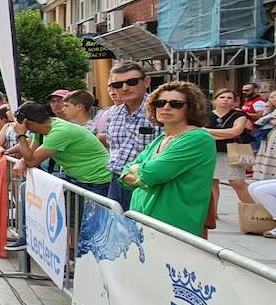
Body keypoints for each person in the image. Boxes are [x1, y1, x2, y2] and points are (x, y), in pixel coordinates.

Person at [121, 82, 215, 237]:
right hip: (143, 221)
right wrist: (141, 173)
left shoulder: (198, 138)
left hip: (173, 225)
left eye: (176, 104)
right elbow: (124, 175)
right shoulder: (159, 140)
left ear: (190, 108)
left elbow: (151, 174)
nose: (166, 107)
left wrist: (139, 170)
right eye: (160, 103)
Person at [11, 102, 112, 195]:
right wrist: (22, 161)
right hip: (77, 178)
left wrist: (20, 135)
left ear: (28, 123)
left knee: (82, 214)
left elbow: (32, 161)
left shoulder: (59, 132)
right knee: (26, 188)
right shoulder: (45, 128)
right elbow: (31, 155)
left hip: (96, 181)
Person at [97, 61, 159, 211]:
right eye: (118, 85)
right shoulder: (114, 113)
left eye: (132, 82)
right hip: (116, 181)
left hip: (146, 185)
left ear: (146, 82)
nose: (125, 88)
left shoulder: (161, 110)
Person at [206, 88, 254, 207]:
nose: (225, 100)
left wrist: (207, 131)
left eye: (229, 98)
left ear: (234, 101)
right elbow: (196, 132)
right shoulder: (206, 115)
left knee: (237, 182)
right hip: (209, 151)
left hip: (232, 152)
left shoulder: (239, 115)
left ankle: (254, 211)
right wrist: (225, 134)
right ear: (215, 100)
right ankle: (212, 214)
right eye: (222, 97)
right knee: (211, 183)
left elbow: (236, 131)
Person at [241, 83, 271, 150]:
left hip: (256, 132)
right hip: (248, 132)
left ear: (255, 90)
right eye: (243, 90)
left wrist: (242, 114)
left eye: (247, 90)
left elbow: (261, 116)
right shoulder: (249, 100)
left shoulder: (259, 102)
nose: (244, 92)